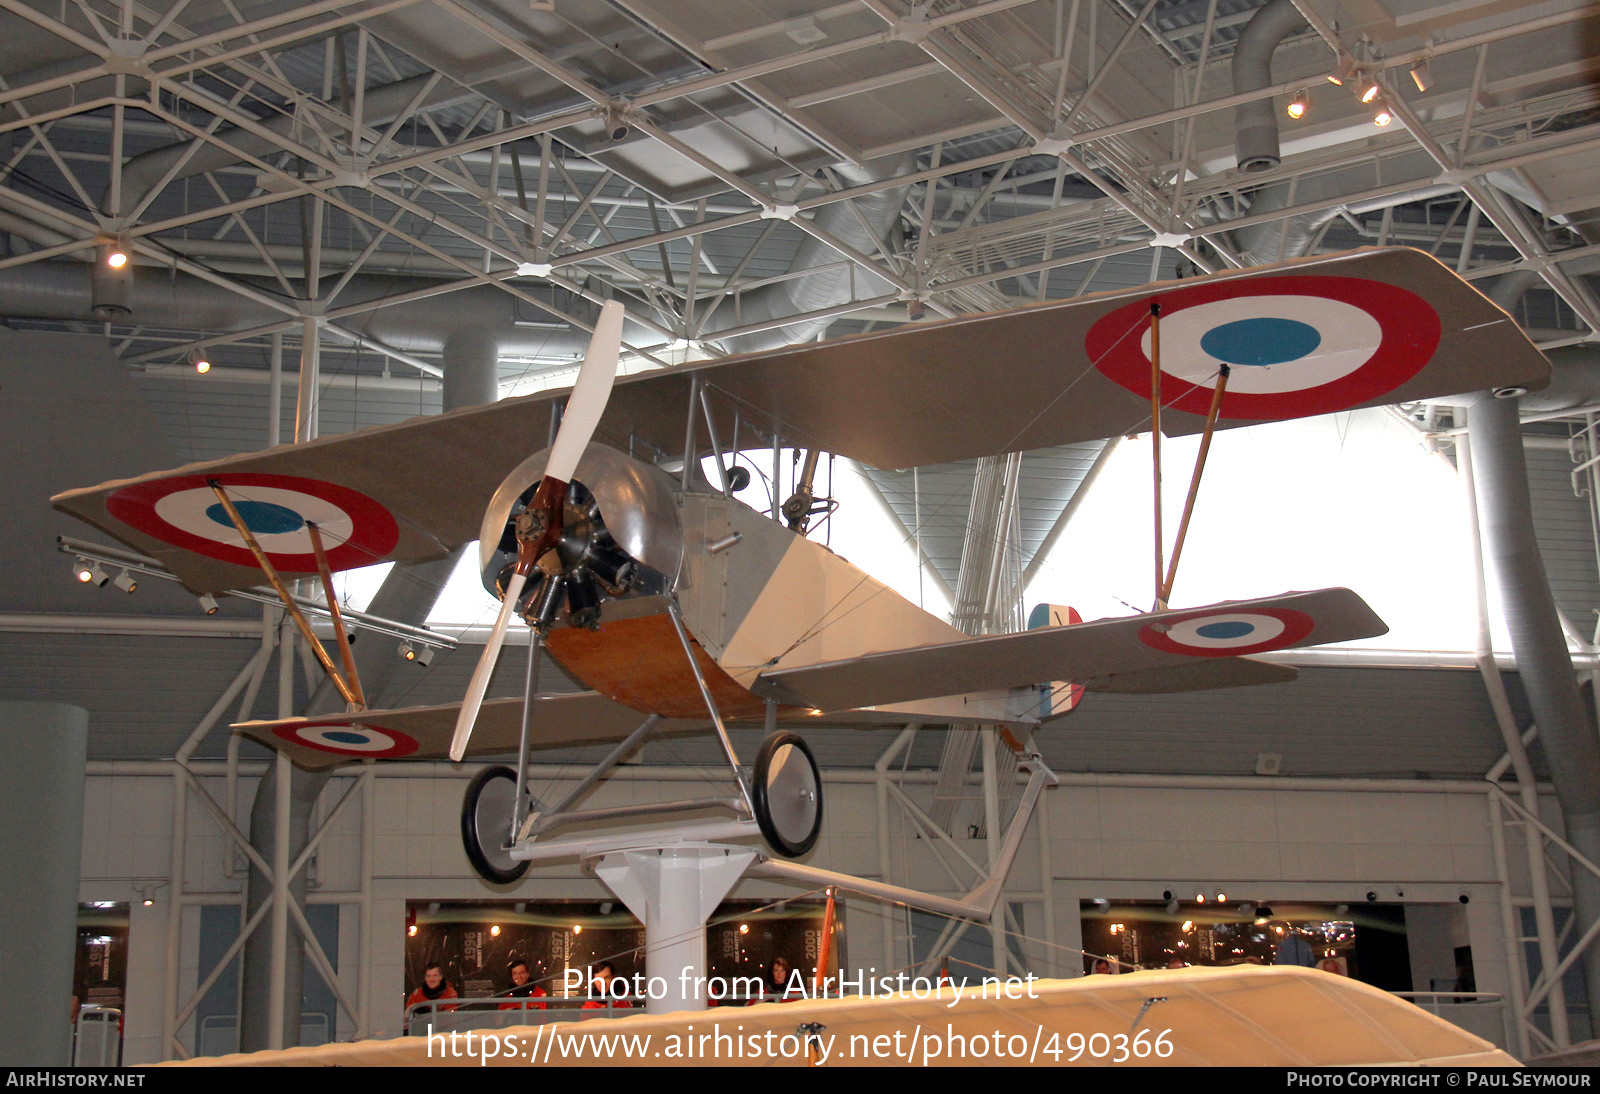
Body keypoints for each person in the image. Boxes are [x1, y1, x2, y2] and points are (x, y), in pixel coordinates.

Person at [404, 963, 457, 1031]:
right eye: (428, 976)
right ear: (425, 978)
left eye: (435, 975)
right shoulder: (417, 995)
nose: (432, 979)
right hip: (420, 1033)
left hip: (443, 1033)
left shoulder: (450, 995)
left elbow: (451, 1020)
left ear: (440, 977)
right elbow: (408, 1018)